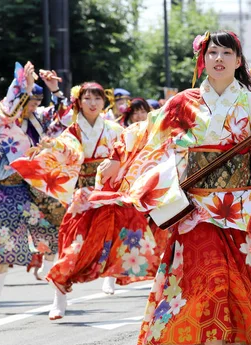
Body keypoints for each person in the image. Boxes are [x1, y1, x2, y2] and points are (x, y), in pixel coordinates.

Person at [93, 31, 251, 345]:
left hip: (239, 207)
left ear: (239, 61)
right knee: (211, 282)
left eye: (226, 52)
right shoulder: (181, 103)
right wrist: (116, 155)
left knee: (237, 287)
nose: (218, 58)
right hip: (197, 209)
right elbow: (146, 134)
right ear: (202, 60)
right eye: (212, 52)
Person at [11, 82, 159, 319]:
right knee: (74, 244)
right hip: (82, 194)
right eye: (88, 99)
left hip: (108, 191)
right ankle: (59, 289)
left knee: (119, 235)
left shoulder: (113, 129)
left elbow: (133, 150)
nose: (92, 103)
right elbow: (64, 148)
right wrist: (49, 147)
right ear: (79, 102)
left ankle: (120, 278)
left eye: (97, 99)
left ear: (104, 102)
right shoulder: (73, 131)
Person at [0, 62, 65, 304]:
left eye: (36, 101)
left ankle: (47, 266)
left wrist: (55, 90)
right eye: (28, 99)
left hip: (37, 184)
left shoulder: (40, 118)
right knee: (3, 227)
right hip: (8, 183)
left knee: (49, 229)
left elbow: (66, 117)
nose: (32, 105)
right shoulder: (2, 118)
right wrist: (24, 87)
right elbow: (8, 111)